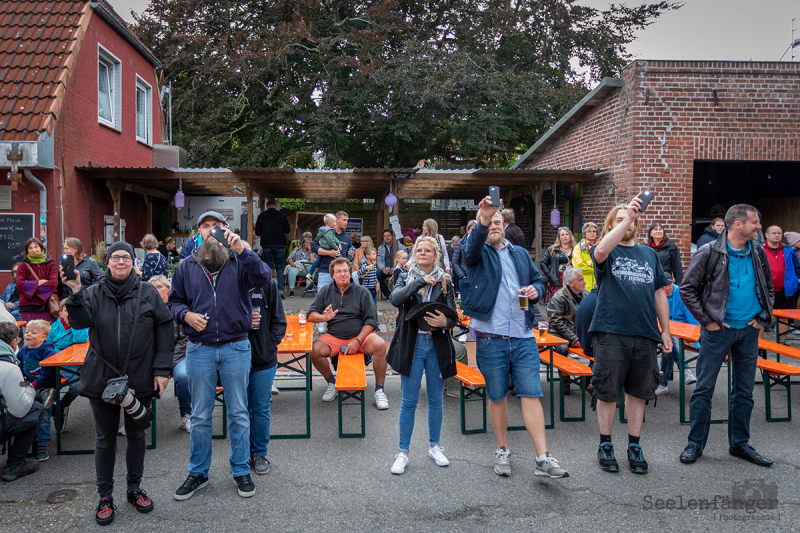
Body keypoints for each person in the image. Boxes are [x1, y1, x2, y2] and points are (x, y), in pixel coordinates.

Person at [62, 240, 173, 525]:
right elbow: (78, 322)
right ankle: (105, 496)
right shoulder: (93, 292)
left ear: (134, 262)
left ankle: (134, 489)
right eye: (115, 257)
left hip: (140, 376)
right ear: (107, 262)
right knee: (105, 438)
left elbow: (165, 328)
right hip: (102, 377)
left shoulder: (148, 292)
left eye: (126, 257)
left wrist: (162, 369)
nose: (121, 261)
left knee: (137, 435)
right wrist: (74, 292)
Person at [462, 196, 569, 480]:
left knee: (531, 394)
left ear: (505, 225)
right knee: (497, 397)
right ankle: (502, 449)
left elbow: (536, 279)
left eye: (498, 221)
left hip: (523, 335)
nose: (494, 225)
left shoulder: (519, 253)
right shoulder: (477, 251)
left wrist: (534, 290)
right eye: (488, 221)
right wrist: (483, 219)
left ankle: (542, 458)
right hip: (490, 337)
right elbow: (470, 251)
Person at [168, 211, 272, 500]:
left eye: (217, 227)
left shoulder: (240, 261)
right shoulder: (186, 266)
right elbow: (173, 302)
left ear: (227, 232)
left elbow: (264, 277)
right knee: (201, 415)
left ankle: (240, 469)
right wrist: (186, 315)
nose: (211, 231)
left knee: (239, 412)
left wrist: (242, 249)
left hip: (235, 347)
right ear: (198, 234)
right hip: (199, 348)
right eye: (205, 227)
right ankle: (198, 472)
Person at [679, 204, 774, 467]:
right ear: (738, 225)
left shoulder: (757, 251)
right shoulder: (709, 251)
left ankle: (739, 444)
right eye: (755, 222)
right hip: (718, 331)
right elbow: (687, 289)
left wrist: (763, 319)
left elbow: (768, 287)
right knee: (704, 390)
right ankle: (695, 444)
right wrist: (707, 321)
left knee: (744, 392)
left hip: (748, 331)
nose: (760, 227)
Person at [589, 197, 672, 475]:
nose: (628, 221)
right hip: (611, 331)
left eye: (632, 217)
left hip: (645, 332)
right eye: (620, 218)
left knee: (639, 392)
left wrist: (666, 331)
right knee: (608, 391)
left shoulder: (649, 254)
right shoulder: (607, 251)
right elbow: (600, 249)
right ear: (611, 224)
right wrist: (628, 217)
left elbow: (659, 293)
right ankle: (605, 444)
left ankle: (634, 445)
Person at [387, 236, 457, 474]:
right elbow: (395, 299)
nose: (423, 253)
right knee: (408, 401)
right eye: (419, 250)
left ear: (435, 255)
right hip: (412, 345)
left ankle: (435, 446)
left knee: (436, 400)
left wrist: (443, 321)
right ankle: (403, 452)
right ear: (414, 253)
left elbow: (454, 317)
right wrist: (418, 283)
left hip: (437, 346)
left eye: (428, 250)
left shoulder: (445, 280)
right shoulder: (404, 277)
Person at [307, 257, 388, 409]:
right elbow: (311, 315)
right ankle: (332, 382)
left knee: (380, 345)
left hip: (360, 336)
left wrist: (357, 340)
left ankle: (379, 391)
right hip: (335, 337)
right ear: (332, 275)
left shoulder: (362, 292)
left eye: (345, 271)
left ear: (351, 273)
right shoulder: (326, 291)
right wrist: (325, 317)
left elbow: (371, 321)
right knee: (314, 350)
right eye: (338, 271)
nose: (342, 274)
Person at [246, 253, 286, 475]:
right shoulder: (229, 284)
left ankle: (260, 452)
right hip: (235, 358)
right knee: (240, 410)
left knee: (260, 408)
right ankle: (243, 453)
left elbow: (279, 321)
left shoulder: (268, 285)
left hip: (264, 358)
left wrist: (270, 345)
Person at [0, 321, 44, 482]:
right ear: (13, 343)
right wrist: (30, 390)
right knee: (35, 409)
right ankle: (13, 466)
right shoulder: (8, 367)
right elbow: (20, 410)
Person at [148, 275, 191, 433]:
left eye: (159, 287)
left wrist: (166, 365)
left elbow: (184, 339)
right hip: (152, 358)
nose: (155, 290)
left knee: (184, 375)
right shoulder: (144, 309)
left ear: (168, 289)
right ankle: (137, 416)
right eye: (152, 287)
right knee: (138, 374)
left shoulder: (177, 309)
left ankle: (186, 415)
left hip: (176, 357)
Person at [46, 299, 89, 432]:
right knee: (46, 386)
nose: (70, 313)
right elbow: (47, 345)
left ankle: (61, 406)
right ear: (60, 314)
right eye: (67, 311)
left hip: (74, 363)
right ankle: (50, 411)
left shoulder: (82, 325)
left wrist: (75, 323)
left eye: (73, 311)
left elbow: (80, 339)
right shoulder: (54, 327)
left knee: (78, 385)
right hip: (56, 363)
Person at [17, 319, 56, 461]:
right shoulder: (22, 351)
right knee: (23, 410)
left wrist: (33, 386)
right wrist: (22, 383)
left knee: (44, 413)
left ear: (43, 337)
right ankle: (24, 440)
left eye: (33, 332)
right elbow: (19, 368)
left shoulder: (47, 352)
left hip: (44, 385)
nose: (28, 335)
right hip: (28, 384)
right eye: (27, 332)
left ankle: (42, 444)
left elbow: (46, 375)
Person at [546, 268, 587, 394]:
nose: (584, 282)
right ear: (571, 283)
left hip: (578, 333)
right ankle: (566, 380)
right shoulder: (559, 297)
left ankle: (588, 381)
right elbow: (556, 321)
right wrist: (573, 339)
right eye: (581, 280)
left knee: (597, 345)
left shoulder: (586, 295)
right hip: (559, 334)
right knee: (562, 348)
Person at [654, 283, 698, 396]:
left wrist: (697, 340)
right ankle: (685, 370)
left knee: (669, 343)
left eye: (669, 285)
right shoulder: (657, 295)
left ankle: (663, 384)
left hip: (681, 331)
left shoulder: (682, 294)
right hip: (663, 330)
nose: (667, 288)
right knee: (668, 340)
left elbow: (692, 317)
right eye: (664, 286)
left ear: (672, 283)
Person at [762, 225, 800, 338]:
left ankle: (782, 342)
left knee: (784, 317)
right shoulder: (759, 249)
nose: (777, 235)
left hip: (785, 291)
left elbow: (797, 268)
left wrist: (795, 283)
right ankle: (759, 345)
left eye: (779, 233)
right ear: (767, 235)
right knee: (761, 317)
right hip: (766, 291)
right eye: (774, 233)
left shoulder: (788, 249)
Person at [16, 238, 58, 323]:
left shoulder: (51, 264)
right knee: (29, 335)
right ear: (27, 251)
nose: (34, 250)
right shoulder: (22, 266)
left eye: (36, 247)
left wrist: (31, 288)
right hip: (27, 308)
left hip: (46, 307)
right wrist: (37, 283)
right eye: (30, 248)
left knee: (47, 334)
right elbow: (20, 284)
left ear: (41, 248)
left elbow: (53, 284)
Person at [254, 200, 291, 297]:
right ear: (275, 206)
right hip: (279, 244)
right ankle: (280, 290)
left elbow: (257, 232)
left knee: (268, 267)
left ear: (267, 206)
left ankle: (268, 289)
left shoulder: (262, 216)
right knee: (279, 267)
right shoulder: (282, 215)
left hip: (266, 244)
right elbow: (287, 230)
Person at [310, 211, 354, 290]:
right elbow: (313, 247)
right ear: (336, 220)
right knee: (323, 300)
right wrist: (329, 253)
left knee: (341, 301)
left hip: (341, 274)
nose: (346, 222)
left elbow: (349, 258)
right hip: (325, 271)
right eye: (344, 220)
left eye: (347, 220)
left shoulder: (347, 237)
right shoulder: (325, 232)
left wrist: (351, 255)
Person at [540, 227, 576, 303]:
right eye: (562, 235)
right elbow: (543, 263)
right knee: (557, 303)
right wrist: (550, 275)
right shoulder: (552, 249)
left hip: (571, 279)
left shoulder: (576, 249)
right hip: (557, 279)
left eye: (567, 234)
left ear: (570, 236)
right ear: (559, 237)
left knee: (571, 302)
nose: (565, 236)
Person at [305, 214, 340, 284]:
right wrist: (336, 248)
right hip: (327, 249)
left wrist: (338, 242)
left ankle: (309, 274)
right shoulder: (329, 231)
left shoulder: (323, 230)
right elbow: (331, 241)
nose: (336, 223)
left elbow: (334, 238)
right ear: (329, 223)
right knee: (340, 257)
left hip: (323, 247)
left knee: (317, 261)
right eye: (335, 222)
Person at [452, 220, 476, 301]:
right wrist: (462, 276)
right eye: (473, 228)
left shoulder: (482, 242)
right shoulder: (460, 243)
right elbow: (455, 261)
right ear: (468, 230)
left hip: (477, 278)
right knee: (464, 304)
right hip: (465, 277)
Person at [572, 222, 599, 292]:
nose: (592, 233)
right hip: (583, 284)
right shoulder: (578, 248)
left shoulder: (601, 247)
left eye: (594, 231)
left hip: (599, 284)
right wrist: (596, 268)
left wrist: (587, 263)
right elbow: (579, 267)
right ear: (584, 234)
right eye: (589, 231)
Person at [377, 229, 398, 299]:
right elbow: (379, 260)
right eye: (385, 236)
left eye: (388, 235)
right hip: (385, 269)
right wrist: (383, 268)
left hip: (396, 268)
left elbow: (405, 257)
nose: (387, 237)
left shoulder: (399, 246)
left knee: (400, 274)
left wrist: (395, 267)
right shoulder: (381, 248)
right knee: (377, 275)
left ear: (392, 236)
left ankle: (397, 295)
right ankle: (388, 295)